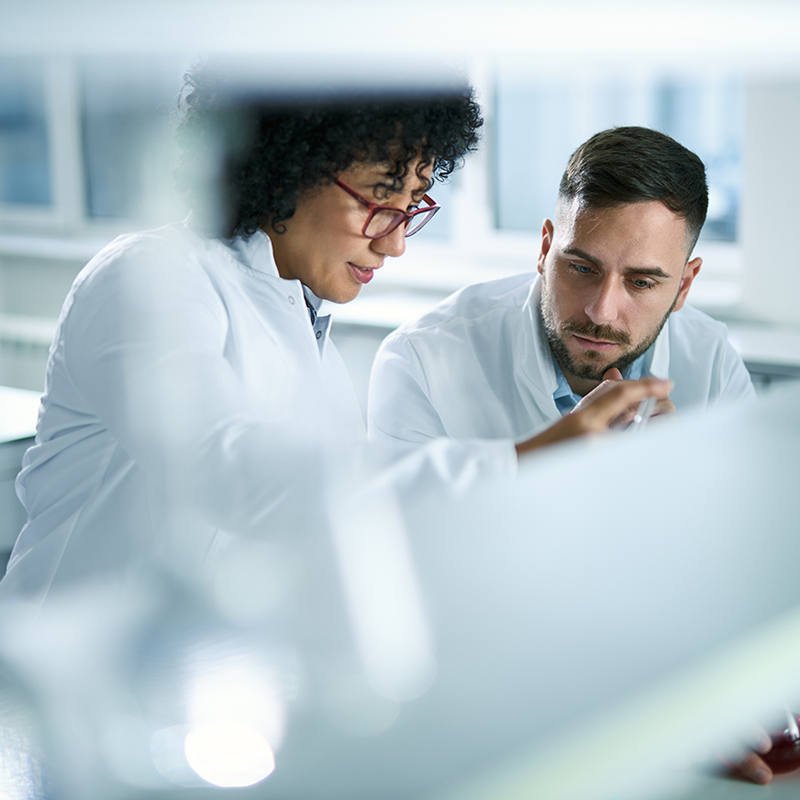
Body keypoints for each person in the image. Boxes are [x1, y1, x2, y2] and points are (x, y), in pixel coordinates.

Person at [1, 68, 669, 611]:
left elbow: (338, 534)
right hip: (63, 711)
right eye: (379, 196)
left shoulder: (299, 318)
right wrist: (520, 461)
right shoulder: (146, 278)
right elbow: (239, 475)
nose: (397, 240)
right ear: (286, 161)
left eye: (411, 204)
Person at [368, 126, 756, 451]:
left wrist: (679, 476)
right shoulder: (420, 359)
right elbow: (403, 532)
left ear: (684, 285)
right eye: (582, 268)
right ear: (544, 249)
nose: (601, 311)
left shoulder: (713, 367)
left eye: (640, 282)